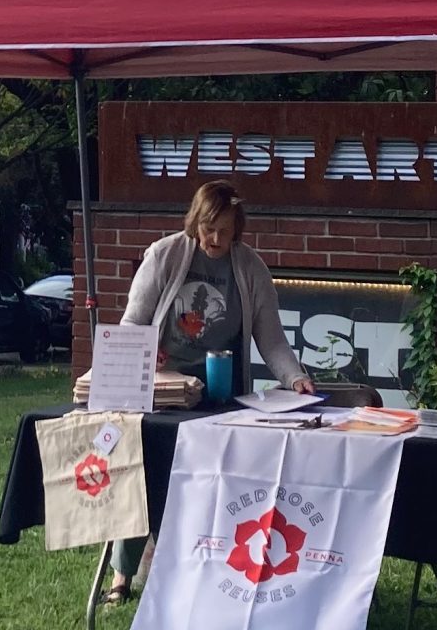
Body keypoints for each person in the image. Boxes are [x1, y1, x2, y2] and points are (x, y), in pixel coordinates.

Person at [101, 179, 314, 604]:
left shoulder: (251, 268)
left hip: (220, 396)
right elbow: (133, 322)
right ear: (195, 223)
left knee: (217, 483)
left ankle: (208, 571)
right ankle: (120, 580)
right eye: (207, 228)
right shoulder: (164, 255)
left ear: (238, 228)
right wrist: (141, 357)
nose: (214, 239)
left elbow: (271, 340)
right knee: (141, 472)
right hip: (165, 392)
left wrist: (296, 379)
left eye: (224, 229)